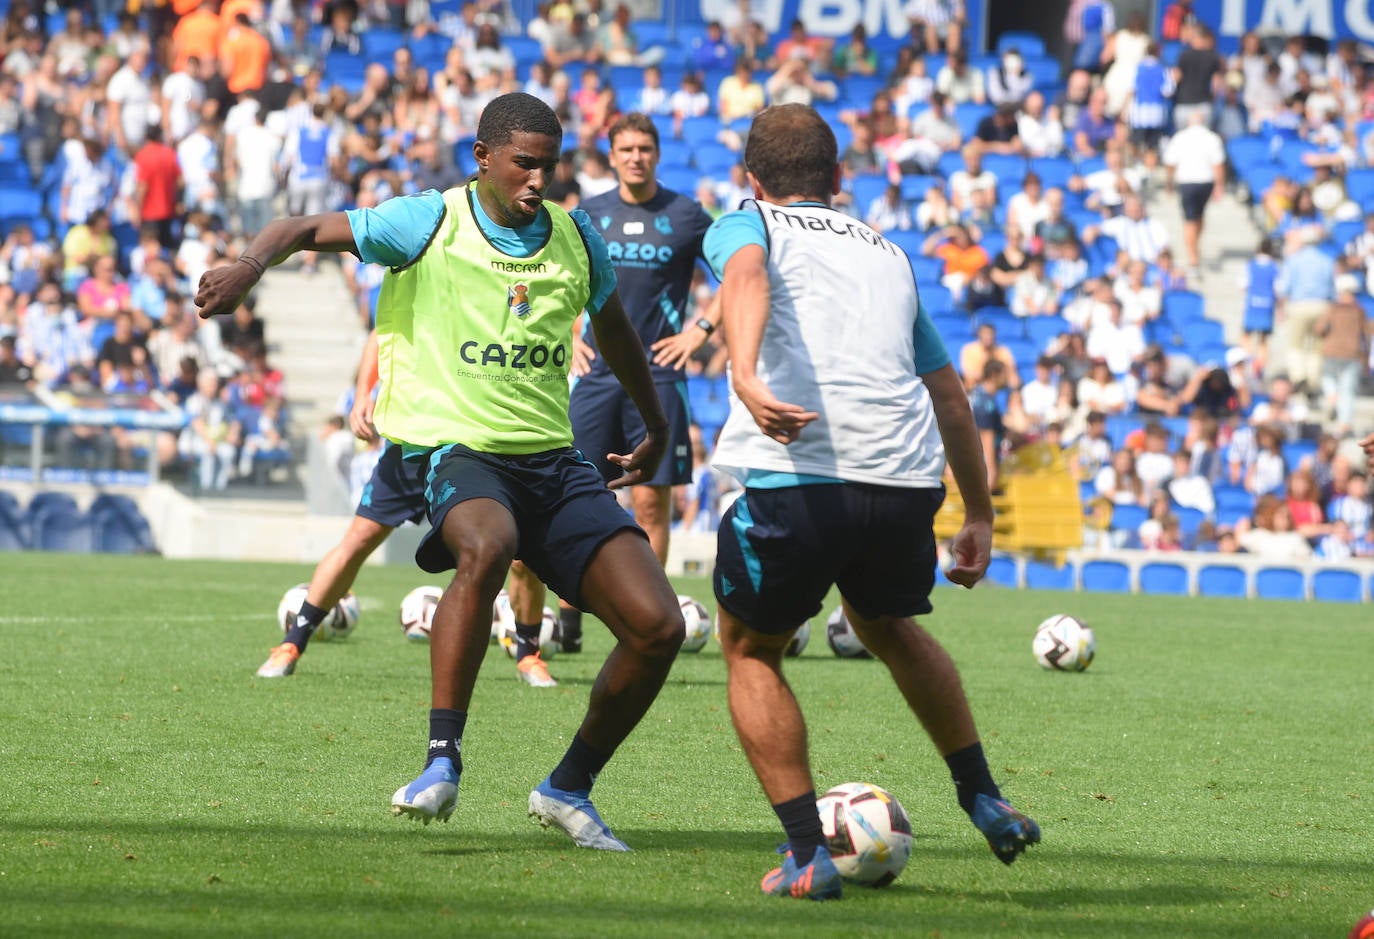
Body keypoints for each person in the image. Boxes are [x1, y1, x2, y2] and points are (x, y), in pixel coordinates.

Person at [196, 93, 685, 850]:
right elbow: (298, 226)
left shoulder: (575, 236)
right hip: (455, 449)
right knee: (487, 544)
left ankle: (567, 787)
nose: (537, 179)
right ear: (483, 157)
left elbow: (615, 329)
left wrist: (655, 425)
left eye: (548, 166)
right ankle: (441, 761)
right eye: (523, 162)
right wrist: (248, 266)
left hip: (552, 460)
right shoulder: (427, 220)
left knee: (660, 626)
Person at [703, 102, 1039, 900]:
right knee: (889, 623)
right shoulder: (890, 252)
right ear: (840, 179)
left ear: (752, 180)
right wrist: (980, 514)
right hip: (904, 479)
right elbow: (952, 398)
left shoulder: (745, 222)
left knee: (750, 647)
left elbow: (745, 275)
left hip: (803, 470)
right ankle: (982, 792)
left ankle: (805, 854)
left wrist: (744, 374)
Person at [564, 112, 717, 651]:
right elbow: (549, 278)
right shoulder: (588, 215)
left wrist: (700, 330)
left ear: (656, 153)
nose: (635, 156)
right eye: (625, 148)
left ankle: (646, 620)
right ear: (612, 155)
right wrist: (569, 335)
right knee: (577, 493)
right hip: (598, 375)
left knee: (652, 504)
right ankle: (569, 616)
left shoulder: (686, 214)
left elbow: (745, 266)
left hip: (660, 375)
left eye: (644, 148)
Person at [1162, 110, 1225, 276]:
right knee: (1194, 218)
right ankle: (1194, 256)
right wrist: (1219, 185)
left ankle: (1193, 253)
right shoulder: (1211, 138)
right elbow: (1218, 164)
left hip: (1190, 182)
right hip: (1201, 181)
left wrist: (1169, 182)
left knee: (1194, 219)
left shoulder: (1180, 137)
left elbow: (1170, 163)